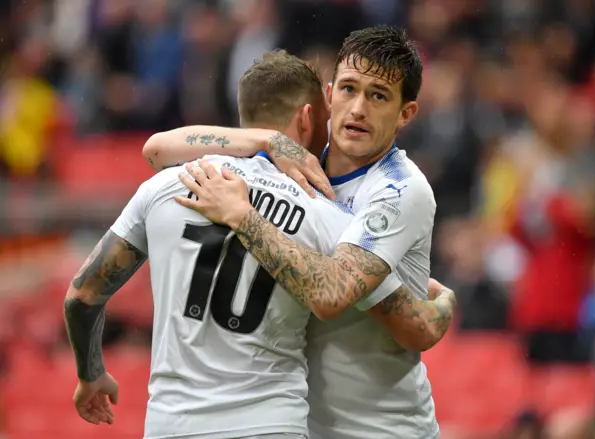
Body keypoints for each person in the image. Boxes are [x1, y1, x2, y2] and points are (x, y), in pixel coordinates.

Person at [63, 50, 454, 439]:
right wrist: (440, 308)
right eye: (345, 93)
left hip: (170, 424)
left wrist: (91, 373)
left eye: (377, 96)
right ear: (311, 113)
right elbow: (408, 324)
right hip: (270, 424)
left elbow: (81, 296)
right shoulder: (330, 217)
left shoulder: (169, 185)